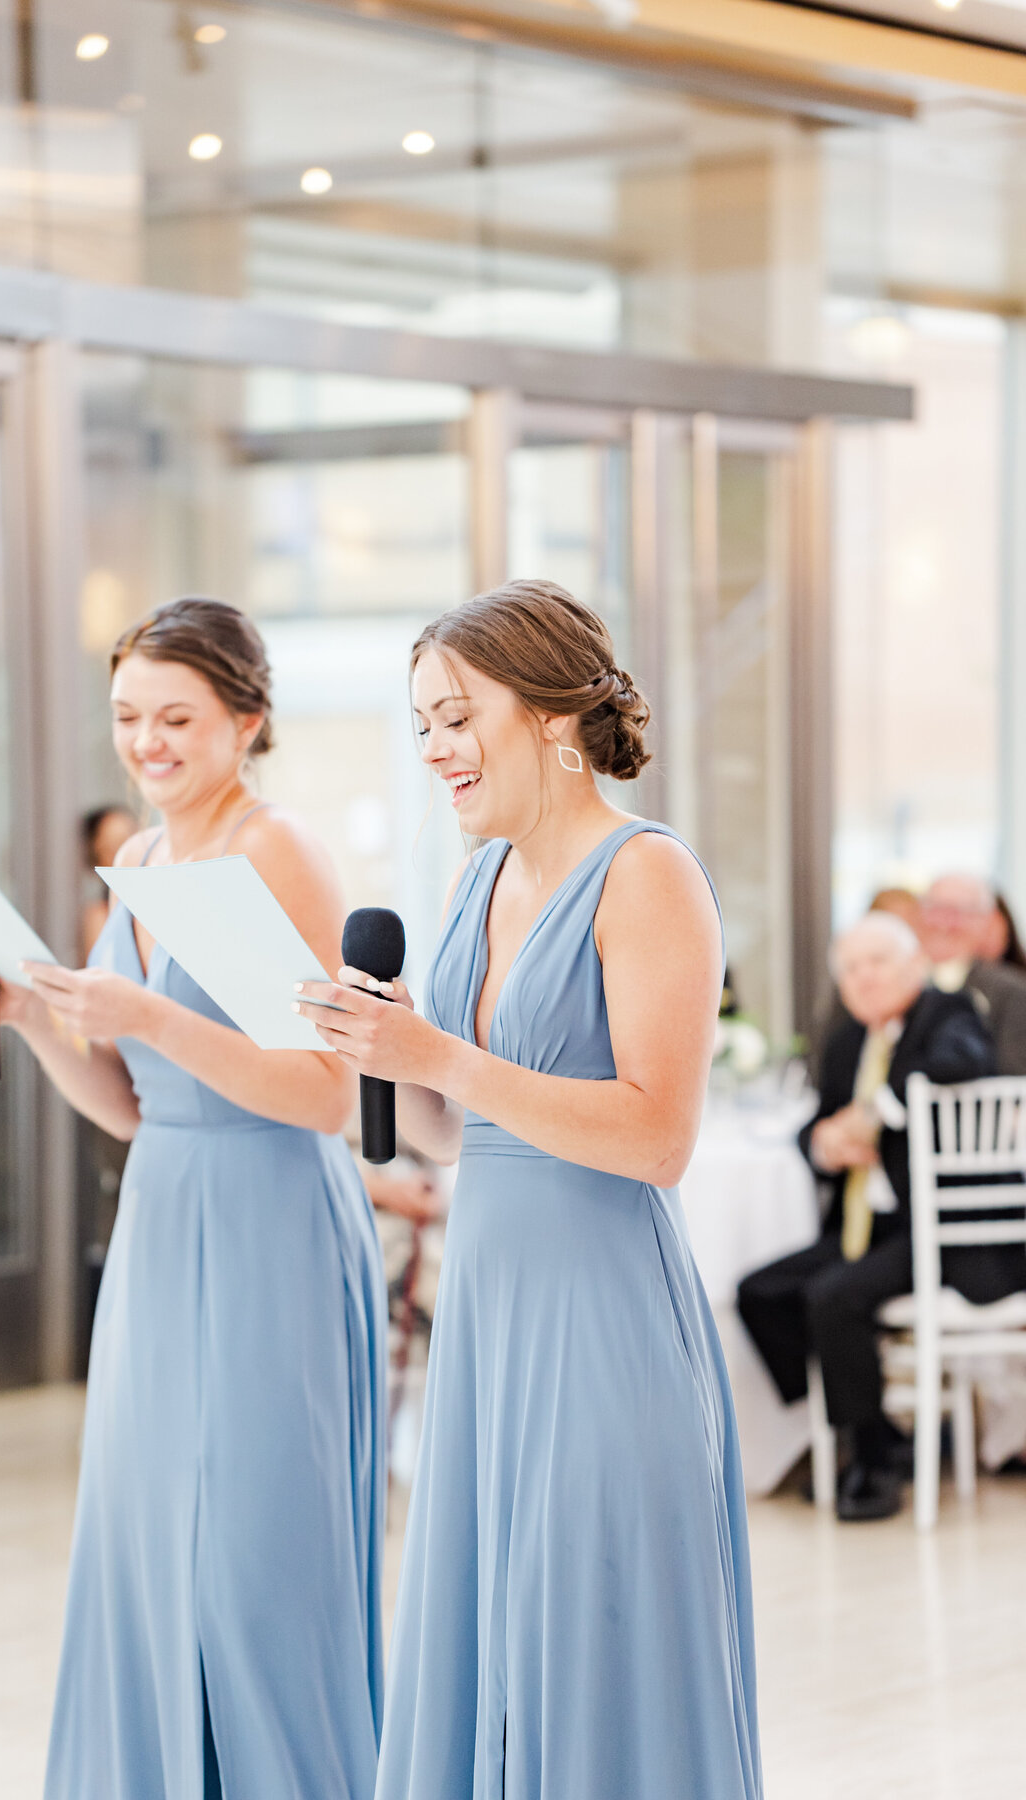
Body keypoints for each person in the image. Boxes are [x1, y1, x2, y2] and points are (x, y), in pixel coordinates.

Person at [297, 579, 761, 1800]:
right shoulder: (477, 884)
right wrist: (371, 1058)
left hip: (603, 1321)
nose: (439, 750)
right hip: (490, 1322)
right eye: (422, 728)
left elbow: (658, 1136)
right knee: (488, 1638)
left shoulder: (647, 872)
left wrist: (441, 1057)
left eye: (458, 716)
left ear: (553, 716)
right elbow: (464, 1134)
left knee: (593, 1640)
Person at [0, 598, 386, 1800]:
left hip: (273, 1224)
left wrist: (152, 1015)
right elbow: (137, 1106)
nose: (150, 744)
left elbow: (327, 1096)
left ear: (247, 721)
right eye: (131, 717)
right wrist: (36, 1016)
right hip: (165, 1214)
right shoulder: (138, 861)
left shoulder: (276, 851)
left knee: (251, 1559)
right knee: (148, 1548)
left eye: (178, 718)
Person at [736, 912, 1021, 1521]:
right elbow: (819, 1121)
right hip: (865, 1225)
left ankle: (872, 1462)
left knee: (834, 1299)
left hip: (939, 1232)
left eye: (877, 964)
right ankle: (864, 1427)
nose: (863, 979)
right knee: (759, 1293)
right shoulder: (847, 1043)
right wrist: (824, 1144)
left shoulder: (948, 1013)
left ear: (913, 964)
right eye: (851, 970)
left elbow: (962, 1064)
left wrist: (880, 1112)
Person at [917, 872, 1026, 1074]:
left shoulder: (1012, 992)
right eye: (934, 909)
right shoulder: (902, 983)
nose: (943, 923)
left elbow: (1014, 1079)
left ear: (987, 921)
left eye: (956, 912)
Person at [80, 803, 137, 961]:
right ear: (96, 855)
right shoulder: (99, 915)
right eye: (113, 847)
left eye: (131, 840)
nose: (124, 855)